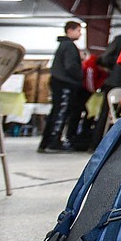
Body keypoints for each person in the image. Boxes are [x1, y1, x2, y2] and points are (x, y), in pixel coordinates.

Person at [38, 21, 83, 152]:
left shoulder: (63, 45)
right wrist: (80, 75)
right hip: (65, 83)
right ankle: (53, 141)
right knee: (60, 113)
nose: (80, 34)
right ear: (70, 30)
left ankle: (47, 142)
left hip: (60, 82)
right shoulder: (69, 46)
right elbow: (71, 66)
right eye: (78, 31)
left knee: (56, 112)